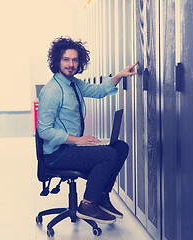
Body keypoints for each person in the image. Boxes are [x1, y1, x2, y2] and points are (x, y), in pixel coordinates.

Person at [37, 36, 137, 224]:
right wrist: (77, 140)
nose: (70, 64)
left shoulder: (74, 84)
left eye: (74, 60)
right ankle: (88, 204)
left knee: (120, 147)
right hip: (56, 153)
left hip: (70, 149)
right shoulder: (52, 91)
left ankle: (101, 196)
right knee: (107, 154)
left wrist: (120, 75)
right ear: (57, 61)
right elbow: (44, 131)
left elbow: (99, 91)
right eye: (66, 59)